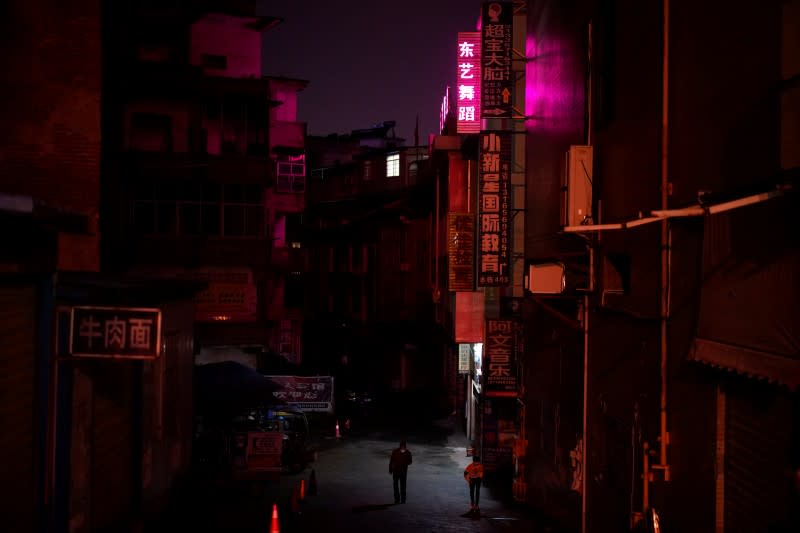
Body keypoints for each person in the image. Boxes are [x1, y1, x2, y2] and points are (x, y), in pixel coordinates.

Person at [389, 440, 412, 504]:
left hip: (403, 472)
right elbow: (391, 461)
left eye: (403, 446)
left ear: (405, 446)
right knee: (395, 486)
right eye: (401, 446)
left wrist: (405, 462)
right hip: (396, 472)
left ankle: (403, 499)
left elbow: (410, 461)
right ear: (400, 446)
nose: (402, 448)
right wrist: (390, 469)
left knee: (403, 486)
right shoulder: (395, 452)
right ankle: (397, 499)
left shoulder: (408, 453)